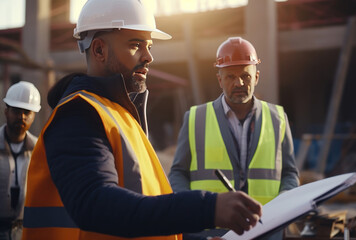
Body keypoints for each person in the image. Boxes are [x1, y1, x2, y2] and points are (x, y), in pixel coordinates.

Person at [22, 1, 262, 240]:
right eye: (136, 45)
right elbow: (95, 204)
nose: (148, 57)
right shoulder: (78, 115)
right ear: (98, 50)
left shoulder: (121, 115)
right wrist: (206, 207)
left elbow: (145, 204)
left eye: (148, 46)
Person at [168, 37, 299, 239]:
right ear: (220, 79)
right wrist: (192, 212)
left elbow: (289, 173)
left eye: (245, 76)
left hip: (265, 231)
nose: (239, 83)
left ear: (256, 77)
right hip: (211, 233)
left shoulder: (278, 118)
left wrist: (282, 207)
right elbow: (178, 174)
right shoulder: (195, 119)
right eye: (230, 76)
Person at [0, 81, 41, 240]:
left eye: (27, 112)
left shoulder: (39, 150)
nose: (21, 117)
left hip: (25, 232)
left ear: (33, 115)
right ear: (6, 111)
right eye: (16, 111)